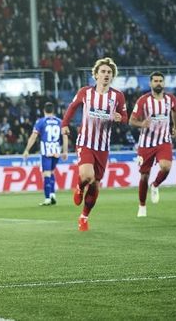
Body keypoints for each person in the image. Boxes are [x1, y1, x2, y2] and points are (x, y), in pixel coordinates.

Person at [61, 57, 127, 231]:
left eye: (109, 72)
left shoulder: (117, 96)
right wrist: (65, 124)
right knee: (87, 176)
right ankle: (79, 186)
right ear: (96, 74)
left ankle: (84, 217)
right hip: (85, 142)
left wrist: (120, 118)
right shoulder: (85, 92)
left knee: (96, 183)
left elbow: (124, 117)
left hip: (103, 147)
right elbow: (72, 107)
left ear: (112, 76)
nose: (106, 74)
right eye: (103, 71)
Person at [129, 71, 176, 217]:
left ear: (164, 83)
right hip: (146, 143)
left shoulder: (171, 99)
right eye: (155, 81)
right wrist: (141, 123)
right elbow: (131, 120)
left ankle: (155, 184)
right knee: (144, 176)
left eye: (160, 81)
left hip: (164, 141)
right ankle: (142, 205)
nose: (158, 83)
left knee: (166, 167)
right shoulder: (143, 100)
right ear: (150, 83)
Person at [22, 102, 69, 206]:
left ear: (44, 110)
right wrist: (65, 151)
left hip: (46, 151)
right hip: (56, 151)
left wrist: (27, 150)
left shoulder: (41, 122)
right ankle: (52, 195)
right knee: (52, 172)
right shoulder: (60, 122)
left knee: (46, 174)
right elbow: (65, 136)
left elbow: (33, 137)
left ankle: (47, 198)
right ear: (53, 111)